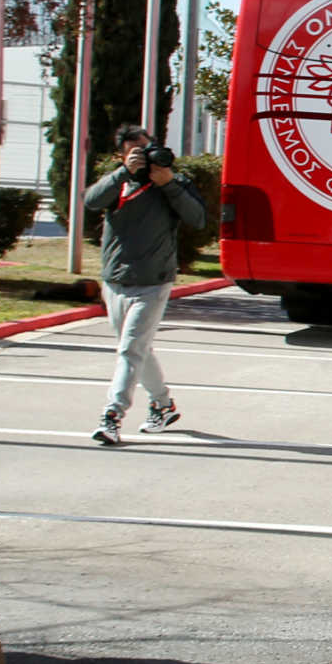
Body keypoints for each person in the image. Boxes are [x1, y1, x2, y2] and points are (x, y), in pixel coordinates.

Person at [83, 126, 207, 447]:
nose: (145, 157)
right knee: (138, 349)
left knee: (129, 349)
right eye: (135, 152)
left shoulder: (172, 184)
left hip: (154, 283)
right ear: (123, 155)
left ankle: (111, 417)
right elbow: (92, 201)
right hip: (115, 282)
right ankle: (163, 406)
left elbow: (198, 218)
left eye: (147, 149)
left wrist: (170, 185)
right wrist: (123, 173)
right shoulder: (119, 183)